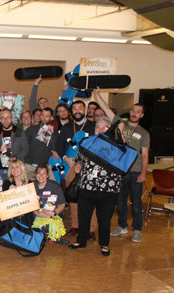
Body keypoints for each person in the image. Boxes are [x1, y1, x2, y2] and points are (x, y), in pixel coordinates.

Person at [94, 88, 150, 243]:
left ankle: (137, 229)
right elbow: (106, 108)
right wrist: (97, 94)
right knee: (120, 201)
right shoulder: (120, 123)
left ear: (141, 115)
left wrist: (143, 173)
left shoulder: (144, 134)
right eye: (133, 110)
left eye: (138, 112)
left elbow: (145, 155)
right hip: (120, 171)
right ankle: (122, 226)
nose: (134, 113)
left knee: (136, 203)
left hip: (136, 171)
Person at [69, 117, 122, 256]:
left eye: (104, 127)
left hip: (107, 190)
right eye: (98, 126)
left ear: (109, 129)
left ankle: (104, 244)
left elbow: (121, 164)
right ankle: (81, 240)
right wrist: (78, 165)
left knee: (104, 220)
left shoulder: (116, 145)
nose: (100, 129)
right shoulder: (87, 142)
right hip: (86, 187)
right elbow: (79, 159)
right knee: (83, 216)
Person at [55, 100, 95, 235]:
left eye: (80, 108)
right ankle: (75, 225)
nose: (77, 111)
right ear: (72, 111)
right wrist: (66, 159)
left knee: (89, 197)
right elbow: (59, 146)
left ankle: (91, 229)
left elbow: (96, 147)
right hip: (70, 166)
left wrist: (83, 162)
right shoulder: (67, 127)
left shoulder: (92, 126)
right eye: (75, 108)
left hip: (87, 166)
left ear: (84, 110)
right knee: (73, 196)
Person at [0, 108, 28, 181]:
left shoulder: (20, 133)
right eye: (3, 118)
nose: (6, 120)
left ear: (12, 119)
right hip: (0, 169)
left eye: (8, 117)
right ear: (0, 120)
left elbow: (25, 150)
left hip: (16, 169)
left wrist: (15, 158)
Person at [32, 165, 68, 244]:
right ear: (35, 175)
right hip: (37, 213)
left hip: (53, 213)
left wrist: (53, 213)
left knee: (51, 225)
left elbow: (62, 204)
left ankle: (51, 234)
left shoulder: (55, 186)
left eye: (44, 173)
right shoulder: (31, 186)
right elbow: (29, 205)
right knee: (37, 229)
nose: (41, 176)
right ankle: (42, 234)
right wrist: (37, 213)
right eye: (39, 173)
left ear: (48, 175)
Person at [24, 107, 58, 181]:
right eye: (42, 115)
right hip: (30, 166)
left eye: (47, 116)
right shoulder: (31, 129)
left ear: (51, 118)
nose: (44, 118)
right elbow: (35, 143)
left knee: (54, 186)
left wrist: (49, 132)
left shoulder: (53, 132)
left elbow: (54, 147)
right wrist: (44, 129)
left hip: (44, 167)